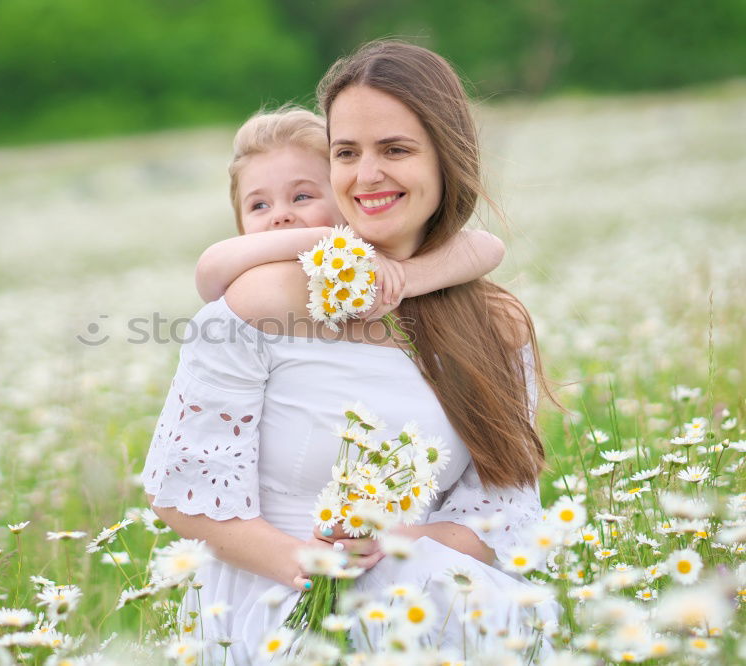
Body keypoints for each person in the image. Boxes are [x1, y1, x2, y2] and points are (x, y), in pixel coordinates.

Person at [142, 40, 557, 663]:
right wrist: (314, 565)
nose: (367, 176)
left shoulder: (494, 325)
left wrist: (395, 544)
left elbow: (506, 508)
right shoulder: (263, 300)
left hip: (426, 592)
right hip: (273, 601)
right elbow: (185, 490)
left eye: (395, 150)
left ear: (449, 159)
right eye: (346, 153)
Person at [194, 106, 506, 317]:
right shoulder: (250, 280)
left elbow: (487, 247)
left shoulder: (369, 263)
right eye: (259, 205)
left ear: (345, 200)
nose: (280, 215)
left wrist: (405, 280)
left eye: (301, 196)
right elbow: (208, 270)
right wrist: (326, 239)